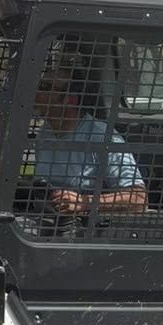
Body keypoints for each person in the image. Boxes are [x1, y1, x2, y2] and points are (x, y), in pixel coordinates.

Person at [27, 63, 147, 221]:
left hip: (80, 230)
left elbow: (139, 199)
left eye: (45, 86)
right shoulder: (45, 133)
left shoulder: (102, 137)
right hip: (44, 220)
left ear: (69, 99)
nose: (37, 91)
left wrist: (85, 203)